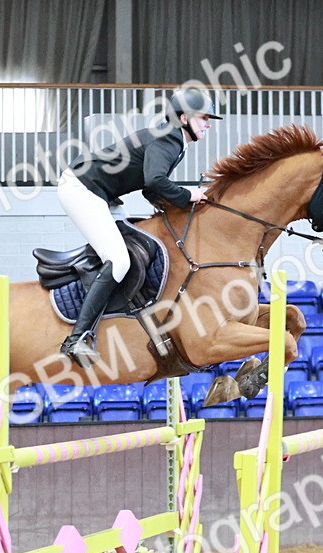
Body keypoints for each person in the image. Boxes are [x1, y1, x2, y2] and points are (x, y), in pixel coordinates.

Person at [56, 87, 221, 367]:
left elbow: (150, 189)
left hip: (103, 194)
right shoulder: (170, 139)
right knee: (119, 260)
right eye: (203, 118)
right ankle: (76, 338)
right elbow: (156, 181)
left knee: (135, 245)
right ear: (183, 118)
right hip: (82, 189)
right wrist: (188, 195)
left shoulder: (173, 140)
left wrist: (182, 207)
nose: (208, 124)